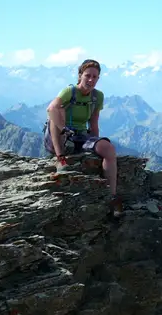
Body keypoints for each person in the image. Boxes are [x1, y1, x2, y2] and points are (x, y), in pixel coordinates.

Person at [44, 59, 122, 215]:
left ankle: (112, 195)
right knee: (57, 111)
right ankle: (61, 159)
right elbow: (50, 109)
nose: (91, 80)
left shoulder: (97, 97)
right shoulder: (69, 92)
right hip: (59, 136)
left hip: (81, 136)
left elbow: (94, 123)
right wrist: (64, 129)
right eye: (88, 76)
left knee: (109, 150)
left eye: (95, 77)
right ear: (80, 75)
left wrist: (96, 146)